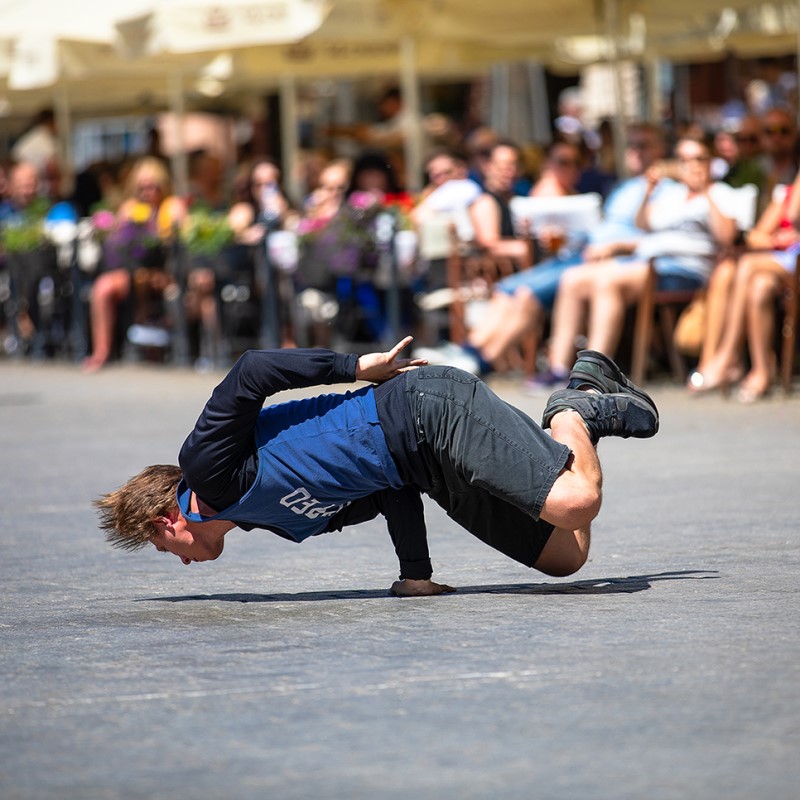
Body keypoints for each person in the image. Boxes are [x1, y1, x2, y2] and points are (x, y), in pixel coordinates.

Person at [95, 337, 659, 595]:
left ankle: (574, 410)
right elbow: (390, 491)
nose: (182, 563)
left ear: (167, 522)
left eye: (165, 551)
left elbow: (251, 372)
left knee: (577, 501)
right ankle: (581, 409)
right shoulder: (276, 519)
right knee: (567, 556)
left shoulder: (208, 467)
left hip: (424, 409)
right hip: (424, 469)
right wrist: (415, 573)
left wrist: (356, 366)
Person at [414, 123, 670, 381]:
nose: (635, 151)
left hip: (606, 259)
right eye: (632, 145)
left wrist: (610, 245)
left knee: (526, 293)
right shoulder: (622, 188)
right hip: (579, 254)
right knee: (508, 289)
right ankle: (470, 352)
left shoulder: (663, 188)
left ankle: (481, 361)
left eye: (643, 145)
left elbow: (654, 231)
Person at [538, 134, 739, 380]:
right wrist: (648, 192)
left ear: (710, 161)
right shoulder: (672, 193)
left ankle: (594, 372)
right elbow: (643, 224)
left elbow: (727, 237)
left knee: (608, 282)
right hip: (648, 261)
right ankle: (558, 366)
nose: (692, 165)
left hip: (684, 268)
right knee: (573, 278)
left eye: (698, 158)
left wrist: (706, 191)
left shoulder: (721, 192)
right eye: (684, 159)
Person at [687, 168, 800, 402]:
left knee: (747, 265)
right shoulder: (787, 192)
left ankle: (727, 357)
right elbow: (758, 234)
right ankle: (761, 371)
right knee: (759, 286)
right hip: (781, 263)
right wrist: (774, 239)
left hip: (791, 260)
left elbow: (795, 215)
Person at [82, 157, 186, 372]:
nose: (147, 192)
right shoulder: (130, 208)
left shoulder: (172, 206)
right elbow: (115, 248)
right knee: (102, 287)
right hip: (132, 272)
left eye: (152, 186)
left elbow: (181, 244)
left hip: (166, 272)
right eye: (141, 187)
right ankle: (101, 351)